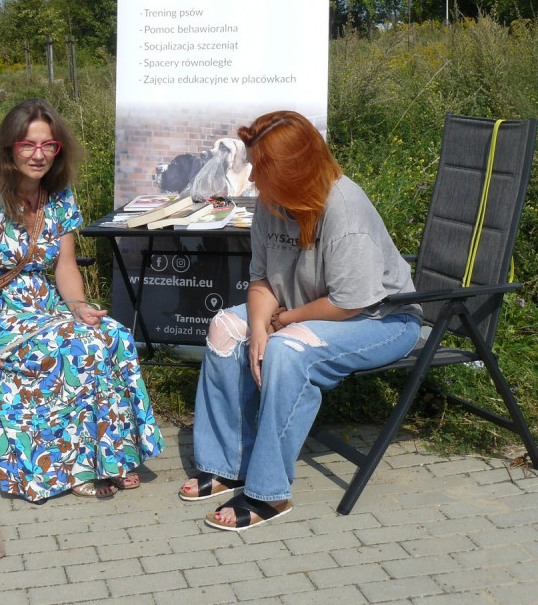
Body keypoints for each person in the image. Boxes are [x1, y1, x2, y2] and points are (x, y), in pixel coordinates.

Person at [178, 110, 423, 531]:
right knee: (224, 330)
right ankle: (228, 464)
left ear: (293, 170)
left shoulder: (343, 207)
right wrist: (258, 329)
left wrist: (284, 322)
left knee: (289, 351)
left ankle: (270, 493)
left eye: (262, 169)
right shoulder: (272, 203)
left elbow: (348, 303)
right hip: (299, 309)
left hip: (382, 320)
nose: (253, 179)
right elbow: (260, 279)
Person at [0, 98, 164, 501]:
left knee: (111, 335)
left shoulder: (59, 197)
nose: (38, 155)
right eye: (28, 145)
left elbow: (65, 266)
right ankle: (71, 468)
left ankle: (112, 457)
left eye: (48, 146)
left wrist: (78, 306)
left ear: (59, 150)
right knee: (75, 347)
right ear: (10, 148)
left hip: (45, 307)